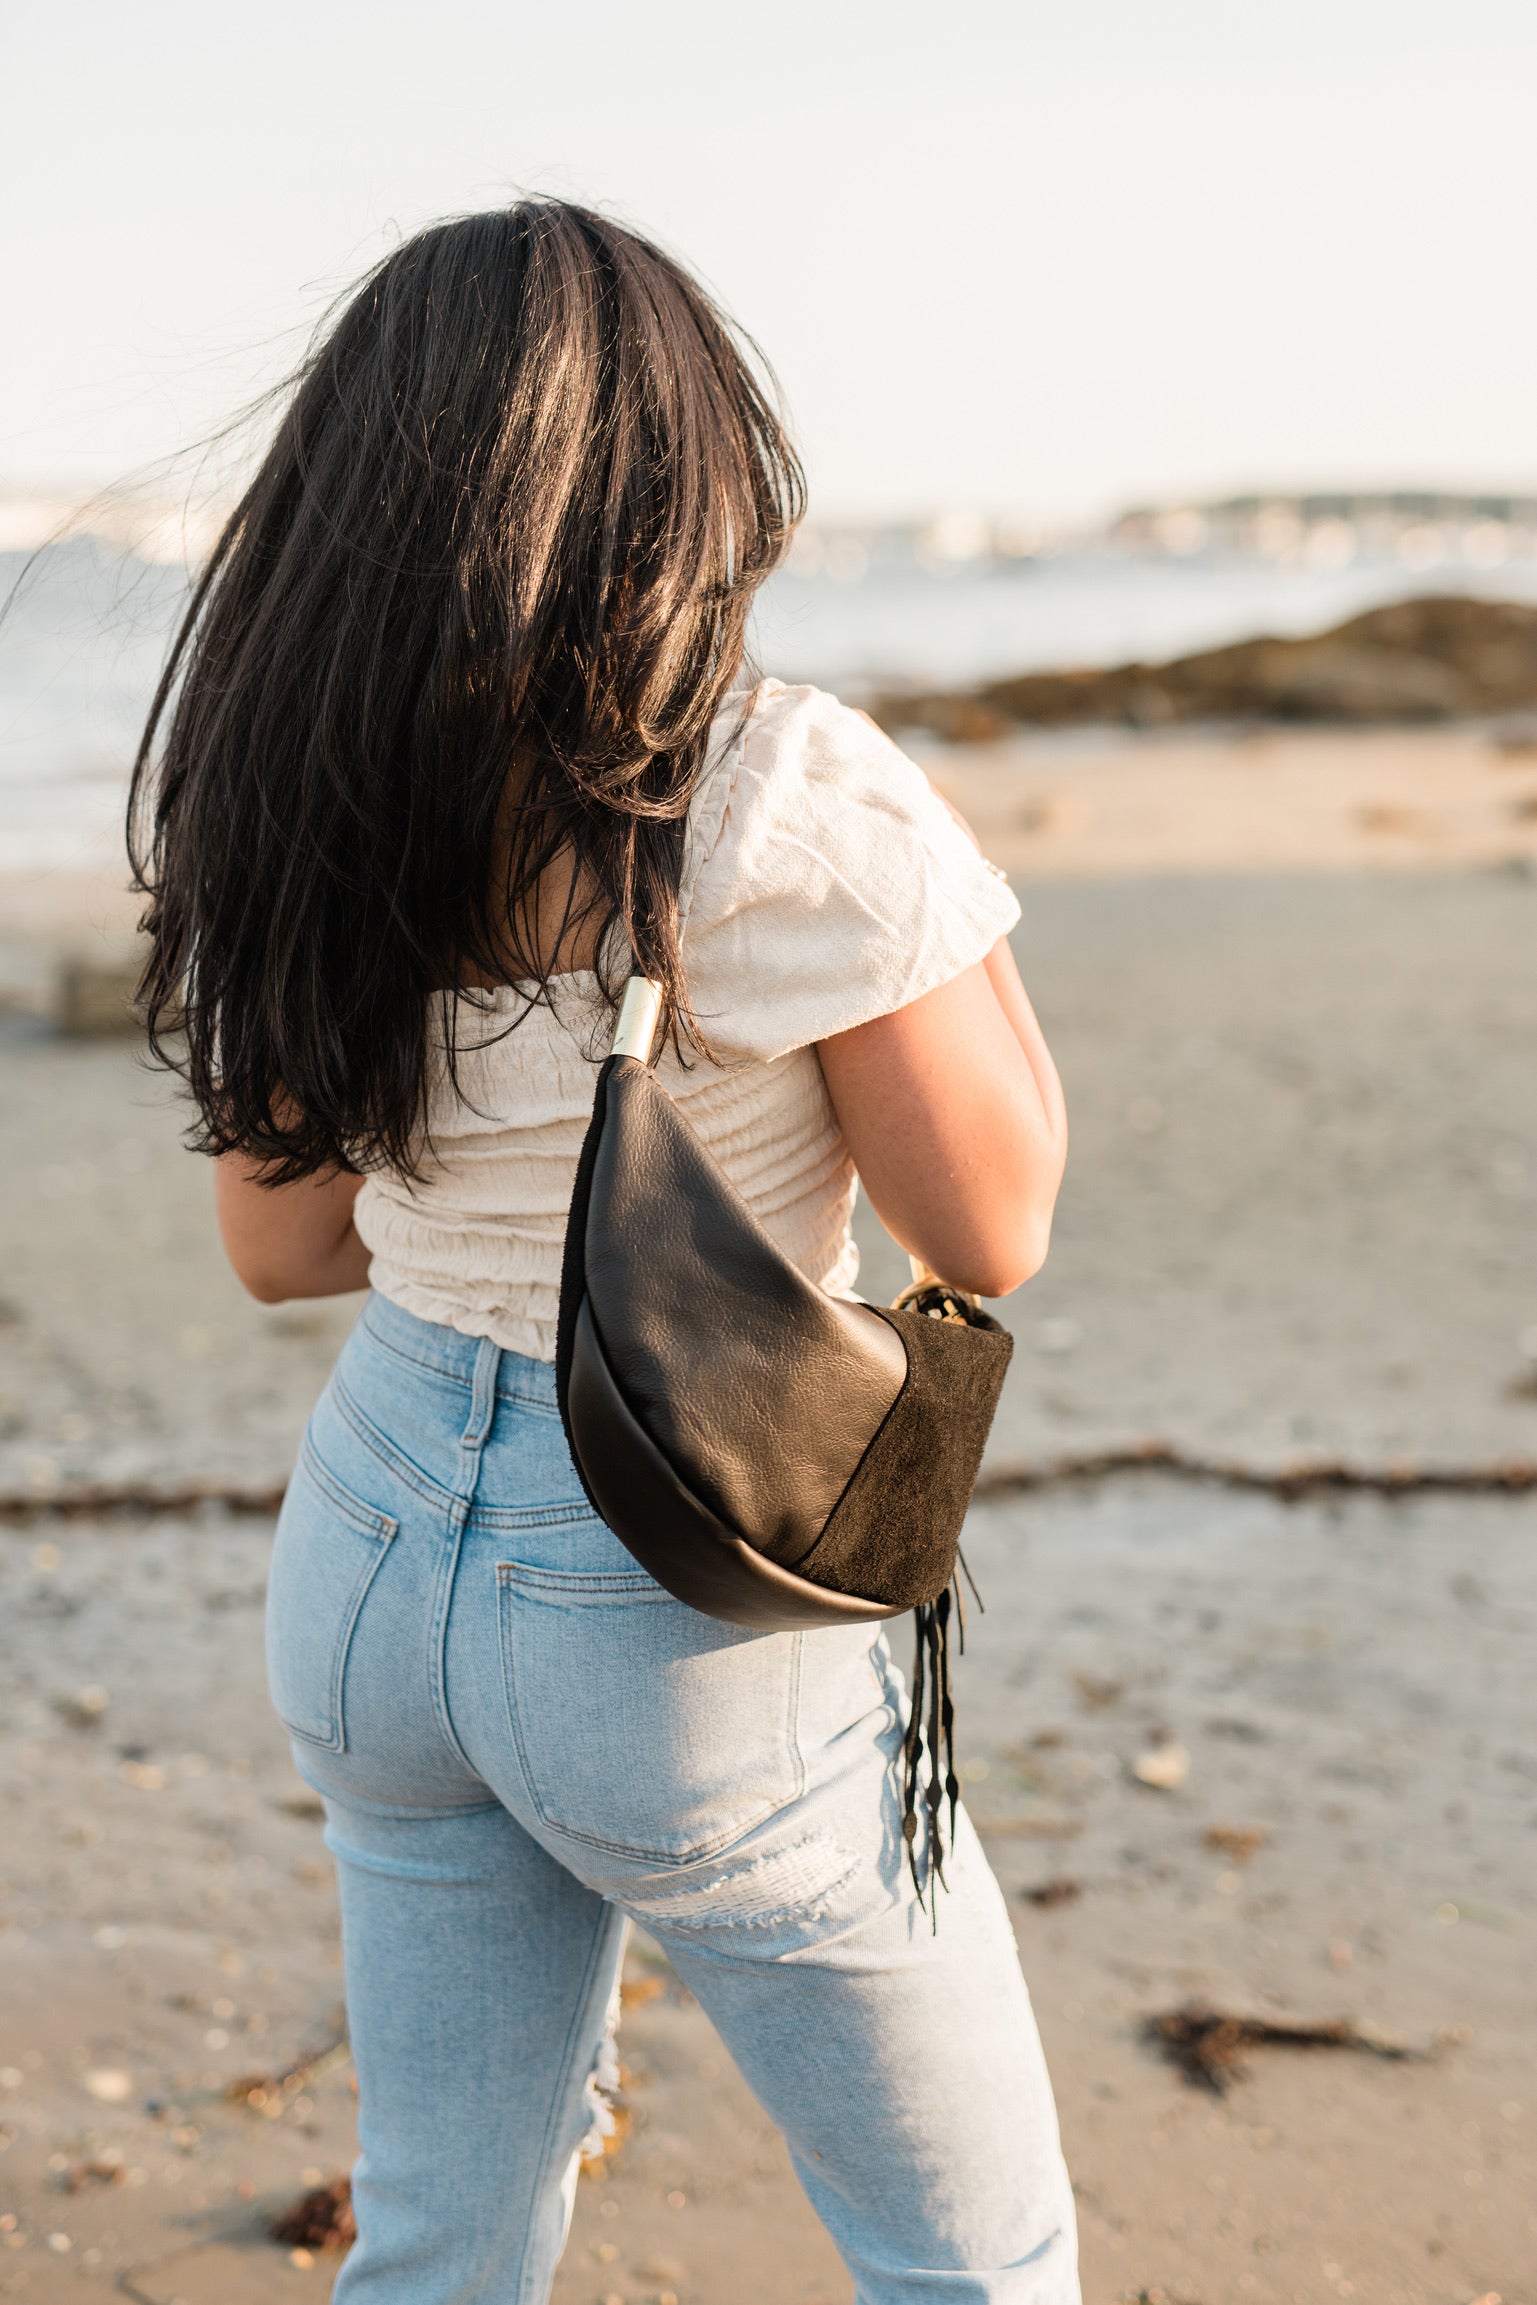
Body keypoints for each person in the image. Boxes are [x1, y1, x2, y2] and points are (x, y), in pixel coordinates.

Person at [129, 200, 1076, 2304]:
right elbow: (990, 1219)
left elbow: (282, 1249)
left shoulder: (289, 786)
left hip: (369, 1555)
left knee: (446, 2235)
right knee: (970, 2255)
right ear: (684, 472)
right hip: (669, 1585)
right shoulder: (778, 784)